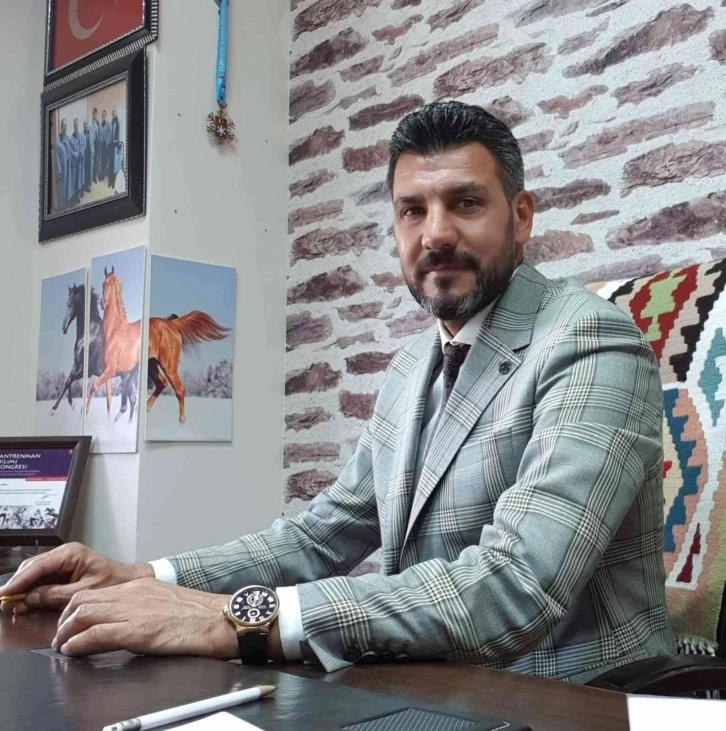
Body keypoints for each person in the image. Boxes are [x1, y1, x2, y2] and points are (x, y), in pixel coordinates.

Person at [0, 101, 674, 682]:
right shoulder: (412, 365)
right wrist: (145, 578)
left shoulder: (591, 340)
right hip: (427, 689)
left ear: (521, 217)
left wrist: (235, 618)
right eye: (412, 210)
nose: (436, 233)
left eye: (466, 203)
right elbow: (322, 534)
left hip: (572, 698)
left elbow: (516, 586)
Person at [52, 118, 72, 211]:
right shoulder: (57, 142)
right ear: (60, 127)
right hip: (61, 170)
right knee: (60, 189)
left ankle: (64, 204)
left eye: (66, 126)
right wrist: (58, 172)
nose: (65, 128)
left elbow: (69, 152)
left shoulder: (67, 138)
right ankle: (60, 207)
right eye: (63, 126)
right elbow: (56, 158)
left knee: (66, 187)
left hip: (67, 168)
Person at [68, 118, 84, 204]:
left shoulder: (81, 136)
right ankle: (73, 196)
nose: (76, 127)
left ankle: (77, 194)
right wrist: (77, 154)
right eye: (75, 125)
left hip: (80, 161)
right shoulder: (71, 139)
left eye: (77, 125)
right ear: (73, 126)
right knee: (74, 179)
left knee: (79, 179)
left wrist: (81, 152)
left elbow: (82, 146)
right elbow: (71, 152)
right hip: (74, 162)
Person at [109, 106, 121, 189]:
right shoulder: (111, 122)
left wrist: (118, 144)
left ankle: (113, 182)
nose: (114, 113)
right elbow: (109, 134)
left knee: (114, 165)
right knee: (110, 163)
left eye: (115, 111)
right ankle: (110, 181)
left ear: (116, 112)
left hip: (116, 145)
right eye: (113, 111)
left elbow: (119, 134)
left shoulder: (118, 122)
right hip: (111, 145)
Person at [91, 107, 101, 184]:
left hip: (98, 143)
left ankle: (97, 174)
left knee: (98, 160)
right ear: (93, 115)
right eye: (94, 114)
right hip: (93, 143)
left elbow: (99, 134)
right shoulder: (91, 124)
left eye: (96, 113)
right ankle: (93, 176)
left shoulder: (98, 123)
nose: (95, 115)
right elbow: (91, 137)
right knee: (93, 161)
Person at [82, 120, 93, 194]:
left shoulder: (90, 133)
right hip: (84, 154)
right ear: (83, 126)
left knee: (89, 169)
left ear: (88, 125)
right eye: (85, 124)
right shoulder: (82, 134)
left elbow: (92, 143)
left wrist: (92, 151)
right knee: (85, 170)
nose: (86, 126)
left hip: (89, 153)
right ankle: (85, 185)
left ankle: (88, 182)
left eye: (87, 124)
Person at [99, 109, 110, 182]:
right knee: (101, 160)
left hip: (106, 145)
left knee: (105, 160)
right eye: (102, 115)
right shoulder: (100, 125)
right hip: (101, 144)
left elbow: (109, 134)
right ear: (101, 116)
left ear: (105, 116)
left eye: (104, 115)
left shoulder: (107, 124)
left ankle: (105, 174)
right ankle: (102, 175)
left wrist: (107, 143)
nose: (103, 116)